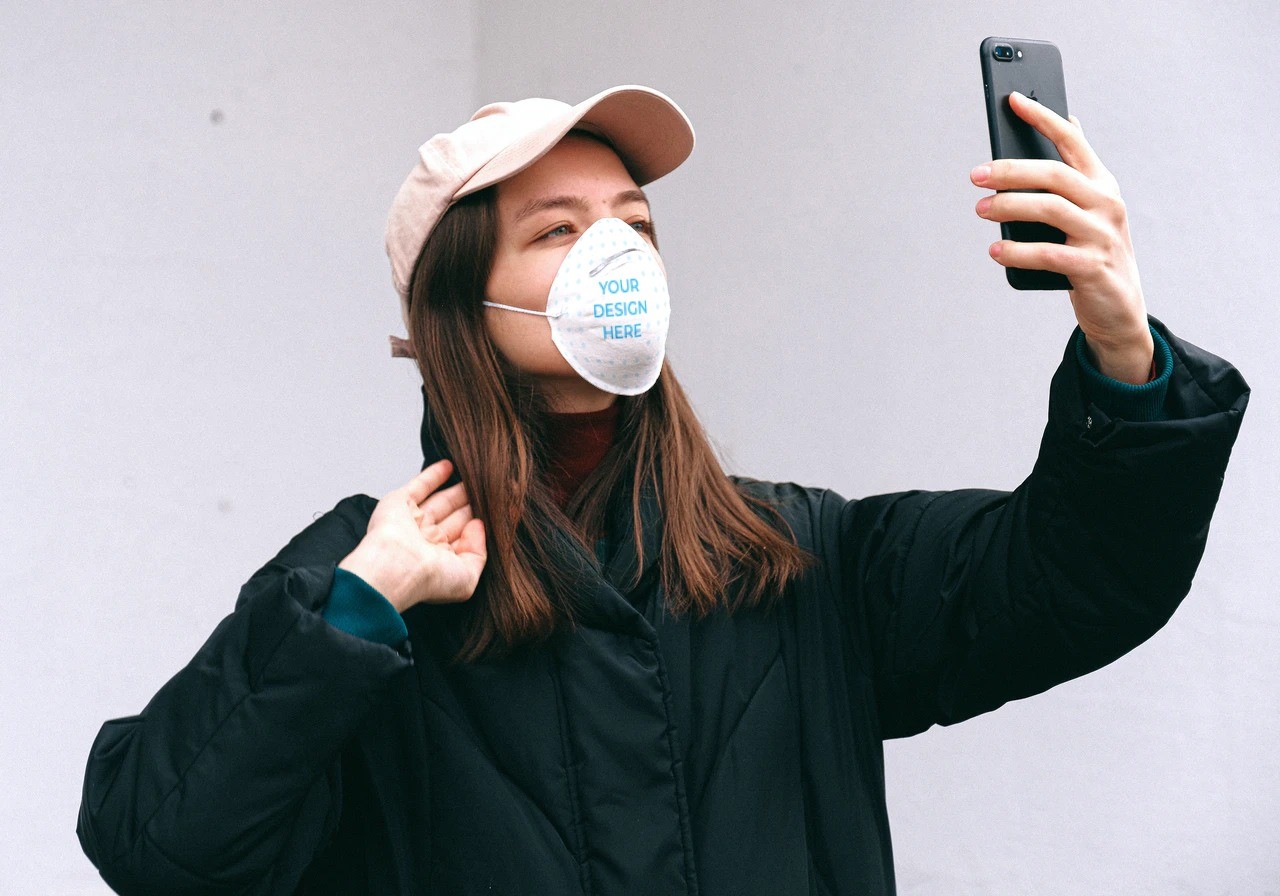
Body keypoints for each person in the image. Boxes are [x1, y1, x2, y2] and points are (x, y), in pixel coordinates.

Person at [77, 84, 1249, 895]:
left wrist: (1122, 349)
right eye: (558, 229)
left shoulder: (795, 553)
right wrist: (353, 614)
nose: (616, 254)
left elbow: (1075, 578)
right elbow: (162, 846)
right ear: (454, 305)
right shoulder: (363, 583)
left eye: (633, 223)